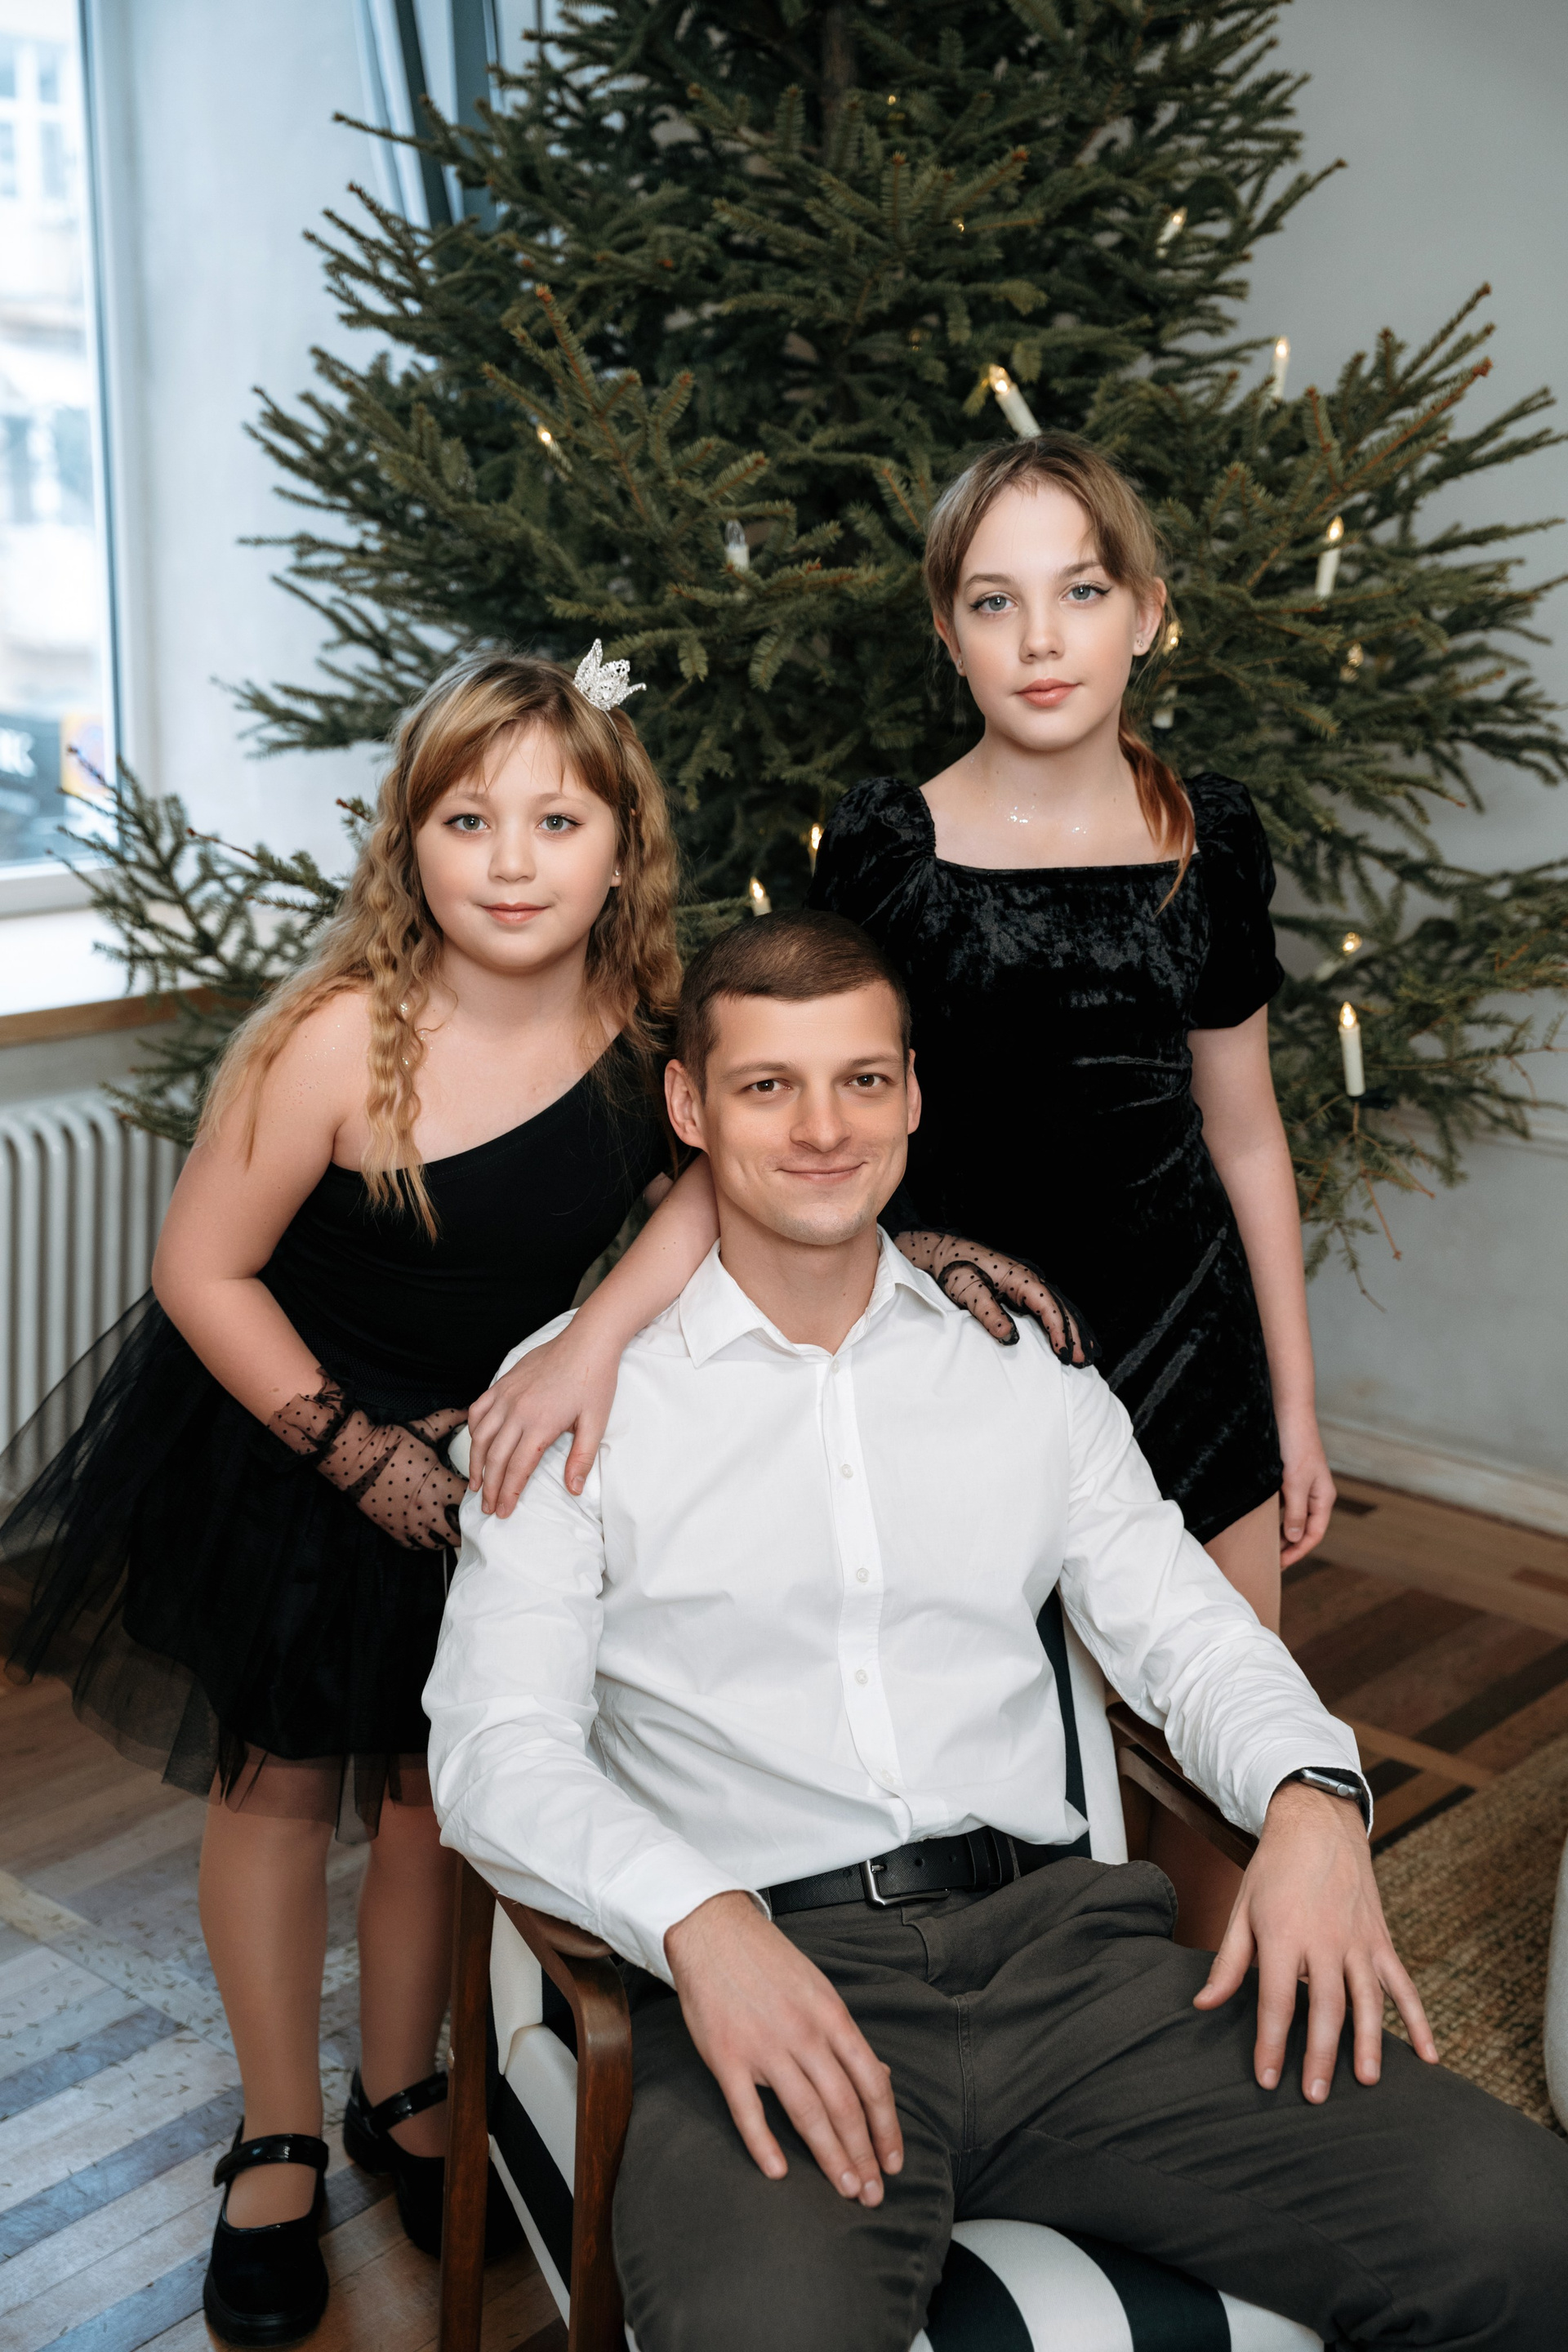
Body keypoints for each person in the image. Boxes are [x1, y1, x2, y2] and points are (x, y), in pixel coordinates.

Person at [426, 910, 1568, 2352]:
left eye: (863, 1080)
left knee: (1524, 2230)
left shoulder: (1021, 1371)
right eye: (770, 1086)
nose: (824, 1129)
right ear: (690, 1108)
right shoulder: (572, 1399)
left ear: (912, 1095)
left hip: (1074, 1971)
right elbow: (496, 1749)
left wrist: (1312, 1796)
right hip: (768, 1985)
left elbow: (1191, 1632)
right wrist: (701, 1925)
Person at [0, 649, 721, 2345]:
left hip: (478, 1469)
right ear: (409, 843)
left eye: (558, 821)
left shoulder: (647, 1036)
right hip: (291, 1449)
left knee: (428, 1795)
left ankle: (402, 2088)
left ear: (624, 848)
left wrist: (594, 1336)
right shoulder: (339, 1039)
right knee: (274, 1785)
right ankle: (274, 2133)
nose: (514, 860)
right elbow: (201, 1268)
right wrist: (355, 1451)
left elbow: (708, 1191)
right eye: (469, 821)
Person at [805, 431, 1336, 1943]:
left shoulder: (1206, 840)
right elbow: (823, 1136)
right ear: (948, 631)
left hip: (1192, 1353)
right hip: (971, 1356)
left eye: (1082, 591)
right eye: (996, 601)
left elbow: (1247, 1134)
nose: (1041, 639)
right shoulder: (892, 846)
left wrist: (1293, 1405)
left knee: (1226, 1750)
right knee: (1011, 1764)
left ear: (1148, 614)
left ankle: (1208, 2040)